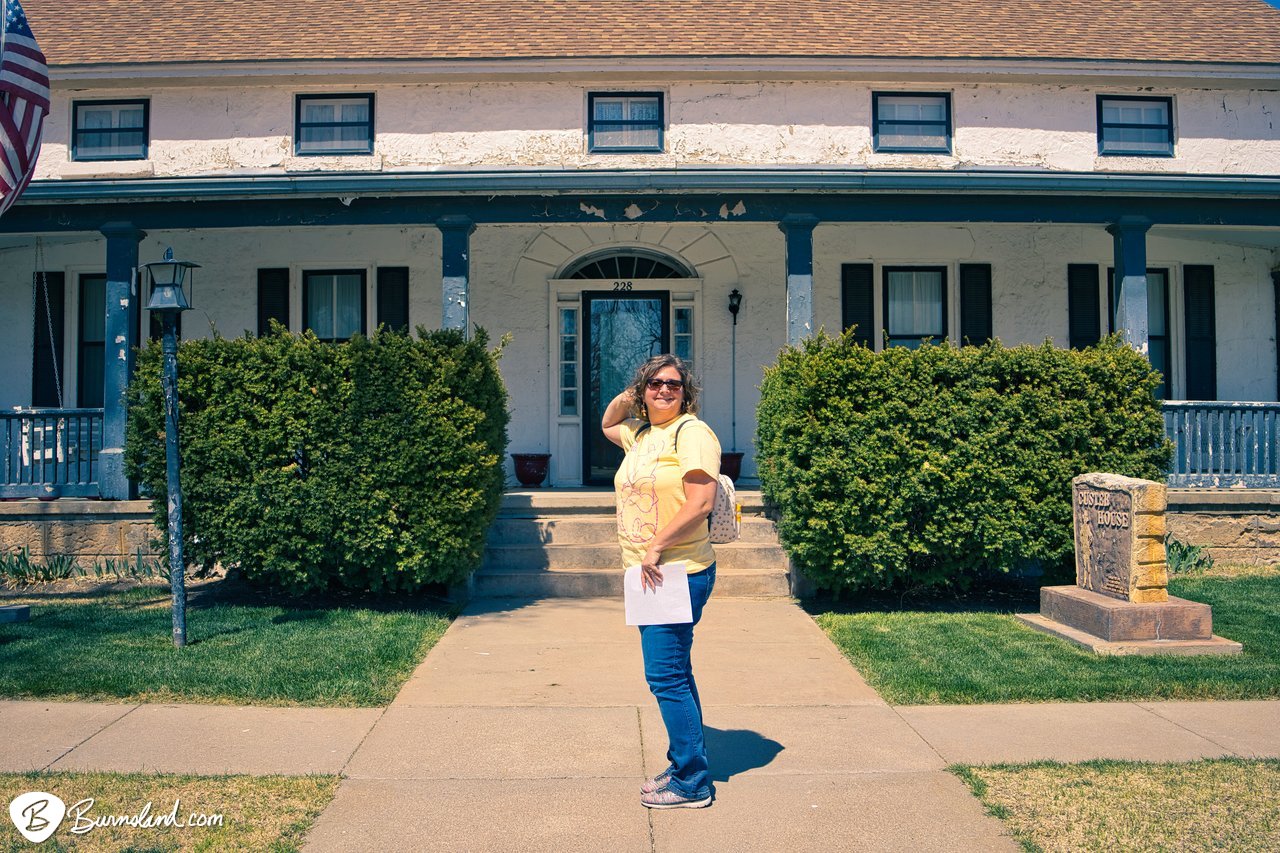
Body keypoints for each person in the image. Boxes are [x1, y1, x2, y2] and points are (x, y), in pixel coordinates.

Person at [601, 353, 721, 809]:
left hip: (677, 571)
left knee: (665, 675)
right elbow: (609, 422)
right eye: (655, 383)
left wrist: (656, 546)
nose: (664, 390)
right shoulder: (644, 434)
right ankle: (686, 761)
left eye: (673, 384)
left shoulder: (692, 433)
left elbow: (701, 502)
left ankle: (692, 782)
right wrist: (634, 394)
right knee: (676, 672)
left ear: (685, 393)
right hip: (648, 574)